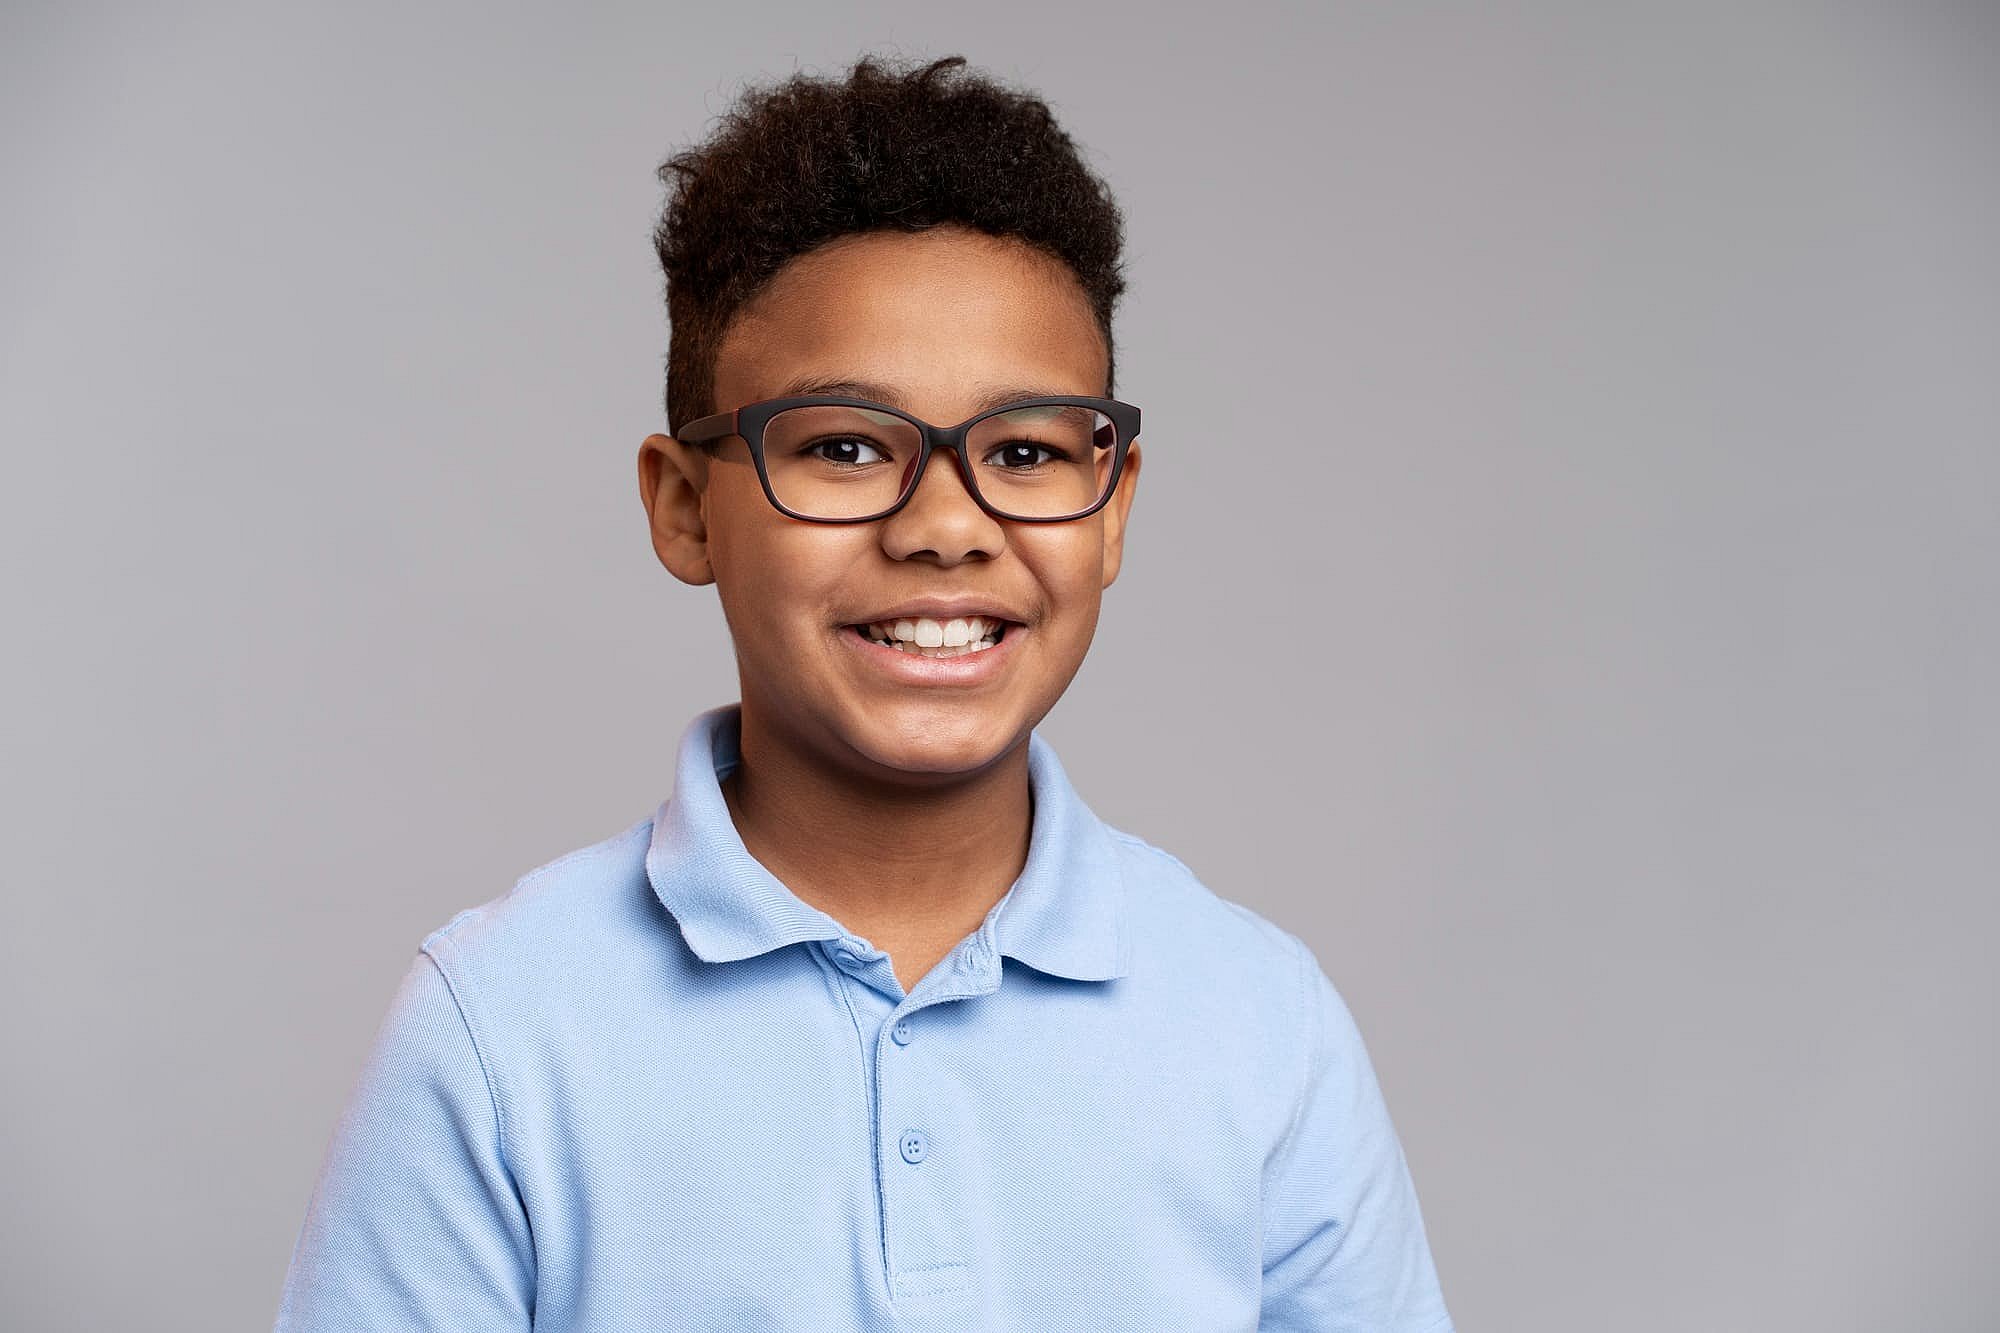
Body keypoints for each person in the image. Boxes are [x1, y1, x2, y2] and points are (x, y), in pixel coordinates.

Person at [273, 52, 1454, 1332]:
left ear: (1112, 511)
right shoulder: (498, 1028)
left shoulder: (1259, 1022)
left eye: (1024, 450)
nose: (946, 526)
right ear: (684, 507)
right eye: (843, 446)